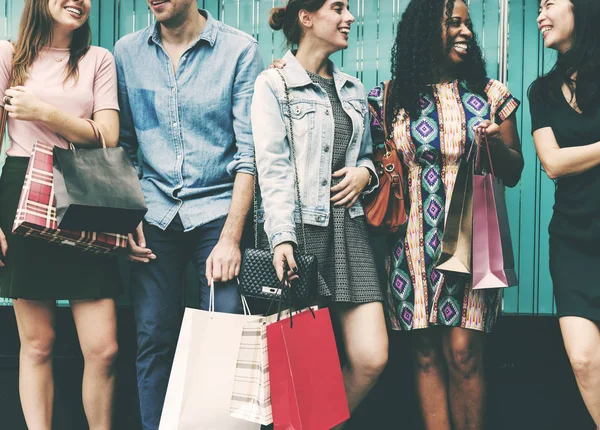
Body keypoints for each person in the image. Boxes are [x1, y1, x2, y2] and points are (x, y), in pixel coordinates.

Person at [369, 0, 524, 429]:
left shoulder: (493, 96)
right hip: (411, 249)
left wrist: (494, 144)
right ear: (423, 29)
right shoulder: (387, 99)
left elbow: (515, 172)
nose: (466, 32)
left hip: (473, 246)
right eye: (453, 22)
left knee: (464, 353)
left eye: (468, 24)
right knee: (423, 355)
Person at [113, 1, 263, 428]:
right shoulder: (127, 52)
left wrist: (232, 238)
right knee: (153, 340)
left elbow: (247, 156)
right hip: (154, 214)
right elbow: (123, 147)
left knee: (224, 338)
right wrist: (127, 215)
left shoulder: (240, 51)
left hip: (218, 214)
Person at [252, 0, 388, 426]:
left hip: (350, 233)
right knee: (301, 368)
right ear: (306, 18)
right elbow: (270, 169)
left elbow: (367, 157)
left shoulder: (352, 88)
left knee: (371, 355)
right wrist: (282, 238)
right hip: (299, 234)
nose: (349, 17)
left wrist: (366, 175)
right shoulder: (273, 84)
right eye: (338, 7)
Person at [0, 1, 121, 429]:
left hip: (83, 192)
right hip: (21, 189)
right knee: (37, 344)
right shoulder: (8, 56)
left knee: (103, 347)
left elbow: (107, 136)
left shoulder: (97, 59)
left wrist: (44, 112)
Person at [529, 0, 600, 426]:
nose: (541, 15)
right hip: (573, 237)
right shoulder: (543, 90)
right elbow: (552, 162)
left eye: (549, 3)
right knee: (583, 358)